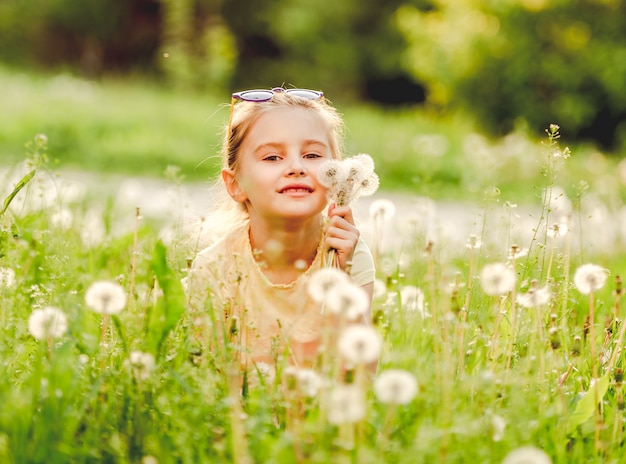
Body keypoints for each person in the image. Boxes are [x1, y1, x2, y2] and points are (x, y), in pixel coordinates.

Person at [185, 87, 375, 381]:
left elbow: (361, 376)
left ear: (337, 174)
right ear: (235, 185)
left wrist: (344, 275)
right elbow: (204, 380)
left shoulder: (348, 254)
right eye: (273, 158)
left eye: (312, 155)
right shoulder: (214, 268)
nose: (296, 167)